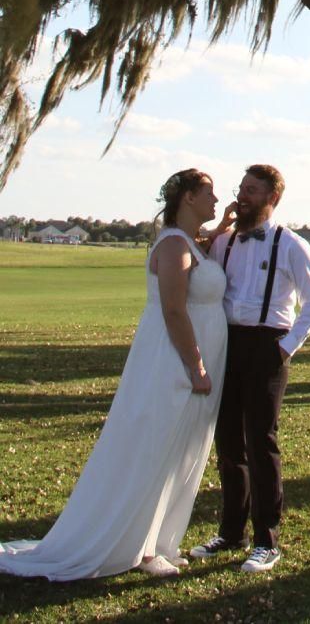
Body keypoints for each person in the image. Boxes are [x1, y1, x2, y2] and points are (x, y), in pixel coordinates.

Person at [0, 169, 229, 582]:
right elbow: (174, 310)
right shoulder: (175, 245)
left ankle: (160, 539)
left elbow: (199, 251)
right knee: (156, 447)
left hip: (196, 362)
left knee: (180, 451)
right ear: (189, 198)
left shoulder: (189, 243)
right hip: (173, 363)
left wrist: (223, 228)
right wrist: (196, 366)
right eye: (210, 193)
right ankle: (138, 548)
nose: (217, 200)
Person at [190, 163, 310, 574]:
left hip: (269, 346)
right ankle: (232, 532)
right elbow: (188, 253)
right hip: (227, 344)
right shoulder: (225, 243)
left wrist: (285, 349)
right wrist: (221, 227)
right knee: (229, 442)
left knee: (260, 440)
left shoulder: (291, 244)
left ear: (273, 198)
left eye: (252, 190)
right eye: (241, 188)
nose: (243, 195)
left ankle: (267, 539)